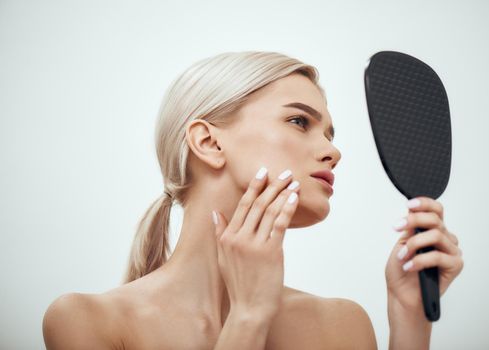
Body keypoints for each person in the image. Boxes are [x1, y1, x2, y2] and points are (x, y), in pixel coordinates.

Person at [42, 51, 464, 349]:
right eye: (300, 121)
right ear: (207, 141)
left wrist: (411, 319)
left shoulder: (342, 325)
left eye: (331, 135)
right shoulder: (89, 323)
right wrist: (248, 316)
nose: (334, 151)